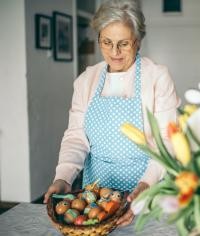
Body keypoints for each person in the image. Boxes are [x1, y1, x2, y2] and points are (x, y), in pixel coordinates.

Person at [44, 0, 180, 227]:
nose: (114, 52)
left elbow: (167, 141)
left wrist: (145, 188)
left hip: (147, 190)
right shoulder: (86, 80)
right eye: (106, 42)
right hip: (96, 197)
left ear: (137, 42)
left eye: (123, 44)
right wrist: (64, 177)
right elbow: (76, 137)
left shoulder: (157, 77)